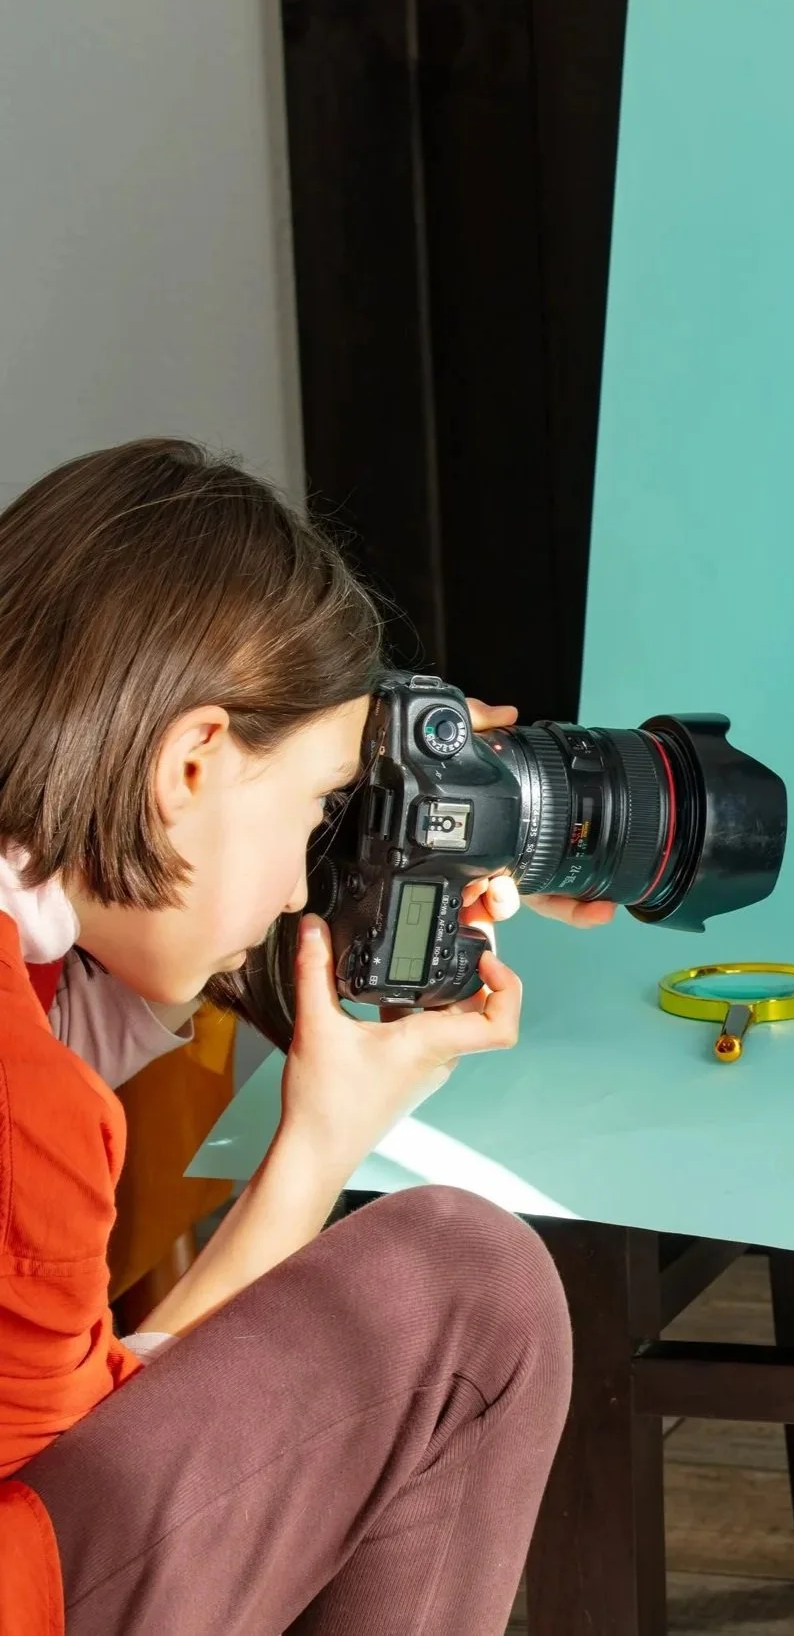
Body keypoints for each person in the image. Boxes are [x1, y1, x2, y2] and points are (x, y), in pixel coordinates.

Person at [0, 438, 616, 1635]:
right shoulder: (30, 1106)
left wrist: (412, 806)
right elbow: (109, 1495)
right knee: (467, 1285)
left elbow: (99, 977)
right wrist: (322, 1144)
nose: (298, 880)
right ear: (190, 759)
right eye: (320, 806)